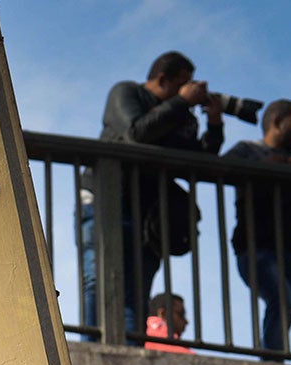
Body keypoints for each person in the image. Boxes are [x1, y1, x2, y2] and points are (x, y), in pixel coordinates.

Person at [81, 51, 225, 340]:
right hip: (105, 202)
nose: (189, 91)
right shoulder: (127, 92)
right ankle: (92, 345)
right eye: (184, 84)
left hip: (146, 216)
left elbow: (201, 161)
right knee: (97, 281)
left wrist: (214, 124)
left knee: (136, 290)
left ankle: (132, 352)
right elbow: (136, 133)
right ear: (163, 79)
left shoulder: (178, 116)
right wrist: (182, 102)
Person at [226, 100, 291, 355]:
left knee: (286, 305)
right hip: (255, 248)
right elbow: (222, 168)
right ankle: (272, 360)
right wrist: (269, 167)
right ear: (277, 122)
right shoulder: (247, 150)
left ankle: (272, 355)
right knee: (282, 300)